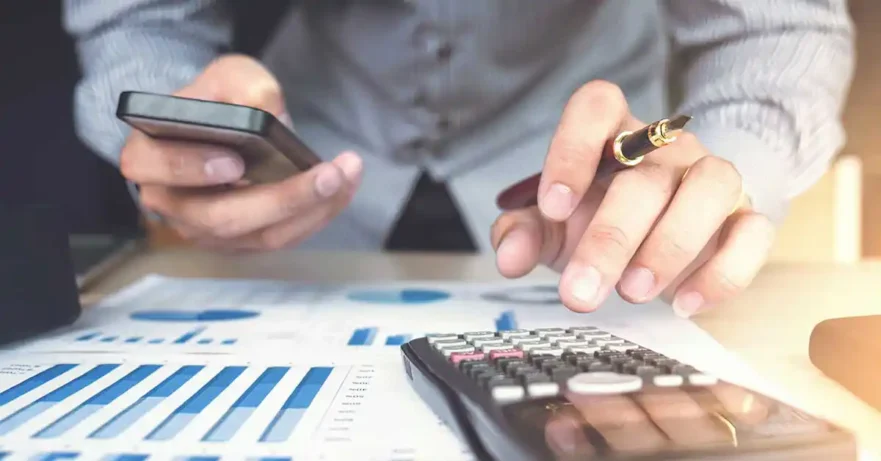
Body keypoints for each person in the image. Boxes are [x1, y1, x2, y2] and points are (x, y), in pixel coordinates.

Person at [63, 1, 854, 317]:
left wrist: (722, 174)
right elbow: (137, 23)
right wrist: (178, 118)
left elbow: (773, 29)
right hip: (316, 168)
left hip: (594, 192)